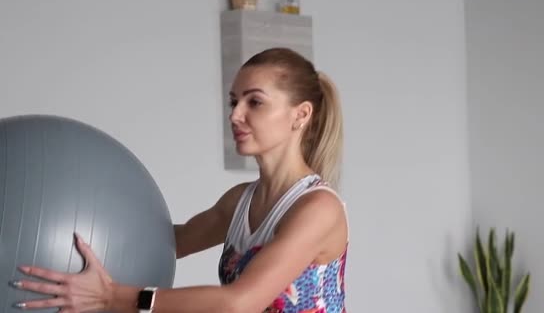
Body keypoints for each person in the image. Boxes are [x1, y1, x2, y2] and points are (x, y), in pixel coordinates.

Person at [10, 48, 349, 313]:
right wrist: (66, 236)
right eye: (234, 101)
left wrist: (111, 297)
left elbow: (236, 303)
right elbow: (166, 243)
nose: (235, 115)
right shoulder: (239, 202)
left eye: (254, 102)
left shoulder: (318, 209)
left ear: (301, 115)